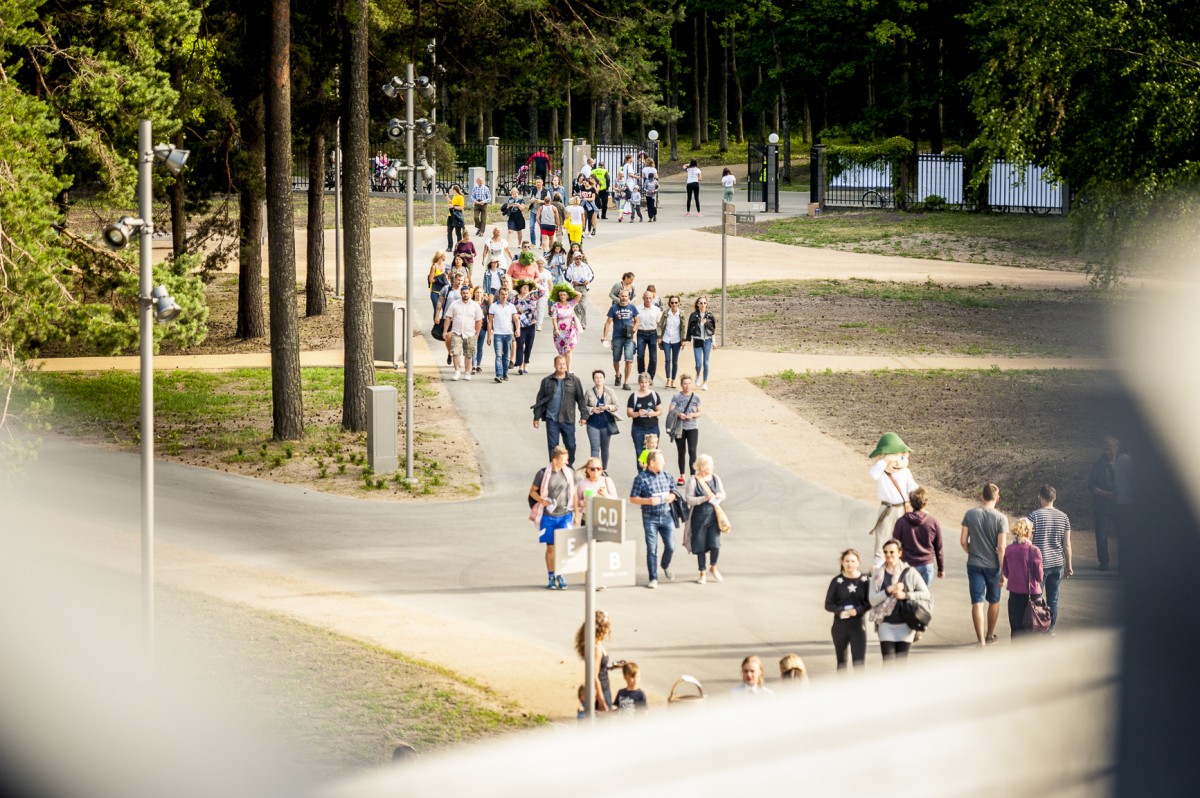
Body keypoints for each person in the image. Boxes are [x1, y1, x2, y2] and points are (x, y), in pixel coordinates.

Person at [961, 483, 1009, 646]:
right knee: (994, 600)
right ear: (997, 498)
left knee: (977, 602)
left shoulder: (970, 514)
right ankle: (990, 635)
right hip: (993, 566)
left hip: (974, 563)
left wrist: (972, 552)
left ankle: (980, 639)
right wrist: (1004, 571)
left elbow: (963, 541)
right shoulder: (1001, 518)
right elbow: (1001, 548)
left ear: (982, 496)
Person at [869, 539, 931, 664]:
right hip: (885, 625)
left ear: (900, 553)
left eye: (892, 552)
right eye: (885, 552)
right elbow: (872, 600)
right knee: (888, 664)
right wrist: (888, 590)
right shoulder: (877, 574)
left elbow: (926, 595)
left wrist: (906, 595)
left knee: (901, 665)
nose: (888, 555)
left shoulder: (910, 572)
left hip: (906, 625)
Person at [529, 445, 579, 590]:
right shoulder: (543, 473)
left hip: (565, 515)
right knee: (551, 547)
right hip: (548, 516)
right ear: (555, 460)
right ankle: (551, 576)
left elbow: (574, 494)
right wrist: (541, 500)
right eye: (564, 459)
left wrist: (576, 514)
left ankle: (560, 574)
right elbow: (532, 491)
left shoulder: (569, 473)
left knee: (562, 547)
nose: (567, 462)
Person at [629, 449, 678, 589]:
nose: (664, 463)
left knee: (671, 546)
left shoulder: (667, 475)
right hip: (650, 517)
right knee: (652, 548)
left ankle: (665, 564)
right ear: (652, 463)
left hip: (667, 516)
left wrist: (672, 496)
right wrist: (648, 501)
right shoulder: (641, 478)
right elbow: (633, 498)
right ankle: (653, 577)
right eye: (661, 461)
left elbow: (675, 490)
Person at [1027, 485, 1072, 632]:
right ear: (1055, 497)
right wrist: (1069, 565)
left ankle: (1038, 627)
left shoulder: (1034, 516)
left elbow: (1028, 541)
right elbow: (1067, 545)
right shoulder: (1064, 517)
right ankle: (1049, 629)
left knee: (1036, 599)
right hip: (1058, 563)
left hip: (1040, 564)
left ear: (1040, 496)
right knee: (1053, 599)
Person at [533, 355, 588, 466]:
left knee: (571, 445)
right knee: (553, 446)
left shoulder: (574, 380)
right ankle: (554, 468)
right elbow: (540, 400)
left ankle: (569, 465)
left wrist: (584, 415)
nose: (562, 366)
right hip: (552, 419)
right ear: (555, 365)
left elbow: (580, 399)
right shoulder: (547, 381)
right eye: (559, 364)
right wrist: (536, 417)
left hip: (568, 418)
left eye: (564, 364)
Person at [1087, 435, 1130, 571]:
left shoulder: (1124, 463)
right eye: (1106, 448)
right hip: (1103, 507)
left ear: (1117, 449)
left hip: (1120, 506)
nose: (1108, 451)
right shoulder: (1098, 465)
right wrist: (1107, 494)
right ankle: (1104, 563)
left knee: (1122, 535)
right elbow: (1091, 486)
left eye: (1110, 448)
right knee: (1101, 536)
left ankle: (1123, 563)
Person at [683, 454, 726, 584]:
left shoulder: (716, 478)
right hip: (699, 517)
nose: (712, 467)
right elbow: (689, 499)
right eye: (709, 465)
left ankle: (713, 567)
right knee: (700, 545)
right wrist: (704, 498)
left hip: (713, 516)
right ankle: (702, 572)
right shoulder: (693, 481)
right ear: (701, 467)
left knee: (715, 544)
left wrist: (720, 495)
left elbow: (723, 493)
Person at [891, 486, 945, 589]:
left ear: (911, 503)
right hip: (926, 564)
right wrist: (941, 569)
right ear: (926, 502)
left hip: (906, 564)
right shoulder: (933, 522)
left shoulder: (901, 521)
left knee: (906, 596)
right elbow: (939, 548)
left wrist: (893, 564)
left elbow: (895, 544)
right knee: (922, 597)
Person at [825, 549, 870, 670]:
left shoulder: (865, 581)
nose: (850, 564)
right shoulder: (836, 582)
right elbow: (828, 604)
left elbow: (869, 602)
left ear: (858, 562)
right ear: (842, 562)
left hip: (858, 627)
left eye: (853, 561)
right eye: (847, 561)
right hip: (840, 627)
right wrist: (840, 611)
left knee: (859, 663)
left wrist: (858, 610)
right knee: (841, 663)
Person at [1002, 518, 1044, 639]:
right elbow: (1039, 577)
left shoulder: (1009, 549)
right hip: (1032, 595)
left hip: (1014, 595)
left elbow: (1006, 572)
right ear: (1028, 532)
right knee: (1033, 630)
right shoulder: (1034, 550)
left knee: (1016, 629)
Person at [574, 610, 613, 710]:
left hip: (604, 686)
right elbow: (594, 675)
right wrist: (601, 700)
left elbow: (598, 666)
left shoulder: (597, 643)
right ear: (602, 627)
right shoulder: (596, 647)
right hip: (601, 690)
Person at [443, 284, 483, 381]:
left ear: (470, 293)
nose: (465, 295)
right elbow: (448, 317)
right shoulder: (454, 304)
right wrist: (445, 331)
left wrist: (477, 334)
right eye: (463, 293)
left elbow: (479, 320)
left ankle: (467, 372)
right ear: (461, 293)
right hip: (456, 332)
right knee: (456, 352)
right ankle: (457, 371)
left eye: (467, 293)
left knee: (468, 354)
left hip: (470, 333)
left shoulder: (475, 305)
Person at [583, 370, 620, 472]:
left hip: (606, 423)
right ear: (593, 379)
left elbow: (616, 406)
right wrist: (592, 409)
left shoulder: (610, 391)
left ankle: (604, 469)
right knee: (595, 447)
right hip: (592, 423)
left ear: (604, 379)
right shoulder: (589, 392)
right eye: (596, 377)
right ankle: (594, 470)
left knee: (605, 447)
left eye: (600, 377)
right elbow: (584, 406)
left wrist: (607, 407)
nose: (598, 379)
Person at [602, 289, 639, 390]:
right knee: (616, 359)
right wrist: (605, 336)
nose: (624, 298)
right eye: (622, 296)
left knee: (629, 359)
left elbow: (637, 321)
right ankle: (618, 374)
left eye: (626, 296)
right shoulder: (613, 308)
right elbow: (608, 322)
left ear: (629, 297)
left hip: (629, 338)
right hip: (617, 337)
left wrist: (633, 330)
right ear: (619, 297)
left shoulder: (632, 308)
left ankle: (626, 382)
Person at [669, 375, 703, 484]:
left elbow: (700, 412)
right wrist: (679, 414)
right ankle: (682, 476)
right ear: (681, 384)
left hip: (692, 427)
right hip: (680, 428)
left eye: (689, 383)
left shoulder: (696, 397)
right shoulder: (676, 396)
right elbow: (671, 411)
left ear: (691, 384)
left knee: (692, 451)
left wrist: (692, 415)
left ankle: (693, 475)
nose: (687, 386)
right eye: (685, 383)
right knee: (681, 451)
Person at [627, 373, 662, 468]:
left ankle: (653, 473)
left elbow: (660, 410)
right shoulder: (633, 396)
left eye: (646, 382)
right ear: (639, 383)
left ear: (649, 383)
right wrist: (638, 413)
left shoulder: (654, 395)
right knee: (640, 452)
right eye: (642, 382)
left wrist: (653, 413)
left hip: (653, 427)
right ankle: (641, 475)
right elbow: (629, 413)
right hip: (638, 428)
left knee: (653, 452)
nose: (644, 385)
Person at [487, 286, 520, 382]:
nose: (504, 296)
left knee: (506, 356)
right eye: (502, 294)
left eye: (506, 294)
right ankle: (499, 375)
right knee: (498, 355)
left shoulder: (511, 306)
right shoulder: (493, 306)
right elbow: (490, 322)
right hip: (497, 334)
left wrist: (518, 329)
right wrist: (489, 336)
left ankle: (505, 373)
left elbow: (516, 319)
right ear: (499, 295)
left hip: (508, 334)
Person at [549, 285, 583, 373]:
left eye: (564, 295)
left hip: (570, 331)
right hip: (560, 331)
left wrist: (568, 290)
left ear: (567, 296)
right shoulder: (556, 306)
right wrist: (556, 329)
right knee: (562, 352)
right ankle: (561, 367)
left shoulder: (571, 304)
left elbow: (579, 294)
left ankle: (568, 369)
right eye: (561, 295)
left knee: (568, 351)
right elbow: (554, 319)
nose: (562, 297)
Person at [512, 279, 543, 376]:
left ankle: (526, 364)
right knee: (520, 344)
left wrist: (535, 284)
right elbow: (511, 312)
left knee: (529, 345)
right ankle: (520, 365)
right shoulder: (514, 299)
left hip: (531, 324)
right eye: (523, 287)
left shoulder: (532, 297)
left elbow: (543, 291)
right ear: (519, 288)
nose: (525, 288)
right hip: (519, 325)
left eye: (527, 287)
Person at [685, 297, 716, 391]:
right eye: (701, 303)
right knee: (698, 363)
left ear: (707, 304)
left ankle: (705, 382)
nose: (703, 305)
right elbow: (690, 329)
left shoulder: (710, 315)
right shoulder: (693, 315)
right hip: (697, 340)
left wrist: (714, 342)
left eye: (704, 303)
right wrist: (700, 324)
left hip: (707, 340)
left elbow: (712, 330)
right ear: (697, 304)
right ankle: (698, 374)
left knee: (706, 363)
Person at [576, 457, 618, 521]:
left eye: (598, 469)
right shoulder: (582, 483)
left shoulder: (607, 481)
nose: (596, 471)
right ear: (587, 470)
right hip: (587, 519)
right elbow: (577, 502)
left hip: (604, 519)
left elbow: (616, 501)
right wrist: (584, 502)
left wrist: (605, 495)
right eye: (593, 469)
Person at [658, 295, 684, 388]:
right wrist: (659, 337)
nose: (674, 304)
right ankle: (668, 379)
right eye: (672, 302)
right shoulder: (666, 313)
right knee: (667, 359)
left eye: (676, 302)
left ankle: (673, 380)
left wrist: (683, 340)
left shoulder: (681, 313)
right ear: (669, 303)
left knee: (675, 361)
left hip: (676, 340)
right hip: (666, 339)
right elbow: (660, 325)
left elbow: (683, 328)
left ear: (679, 303)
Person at [635, 290, 661, 384]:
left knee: (653, 357)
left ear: (652, 298)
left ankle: (650, 377)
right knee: (640, 355)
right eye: (646, 297)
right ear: (643, 298)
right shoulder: (637, 309)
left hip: (652, 333)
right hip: (641, 333)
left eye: (650, 298)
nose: (648, 299)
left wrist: (659, 337)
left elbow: (659, 324)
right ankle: (642, 375)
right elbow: (634, 322)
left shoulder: (656, 310)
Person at [565, 252, 594, 331]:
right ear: (574, 259)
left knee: (583, 305)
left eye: (580, 258)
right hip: (575, 288)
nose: (579, 260)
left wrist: (588, 280)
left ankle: (583, 323)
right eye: (577, 259)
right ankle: (577, 322)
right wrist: (572, 281)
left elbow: (591, 275)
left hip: (584, 287)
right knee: (576, 306)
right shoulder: (571, 267)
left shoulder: (585, 266)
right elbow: (567, 276)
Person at [469, 286, 488, 375]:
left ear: (483, 294)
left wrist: (490, 329)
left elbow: (489, 317)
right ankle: (473, 365)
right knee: (473, 346)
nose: (478, 294)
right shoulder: (471, 303)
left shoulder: (486, 304)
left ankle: (478, 365)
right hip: (473, 328)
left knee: (480, 347)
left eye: (480, 292)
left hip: (483, 328)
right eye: (477, 292)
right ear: (474, 293)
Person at [427, 251, 449, 316]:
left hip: (444, 291)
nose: (446, 257)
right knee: (437, 310)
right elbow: (431, 279)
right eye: (445, 255)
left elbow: (447, 278)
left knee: (445, 310)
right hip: (435, 291)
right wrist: (439, 279)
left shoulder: (446, 266)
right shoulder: (434, 266)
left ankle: (442, 325)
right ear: (441, 256)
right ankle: (436, 325)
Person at [446, 184, 466, 251]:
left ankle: (459, 247)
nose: (451, 191)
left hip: (457, 217)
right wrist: (447, 197)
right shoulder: (454, 196)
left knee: (458, 233)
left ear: (455, 190)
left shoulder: (460, 197)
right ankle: (449, 247)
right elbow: (452, 202)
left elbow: (461, 207)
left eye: (452, 189)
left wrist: (453, 206)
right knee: (449, 232)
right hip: (450, 216)